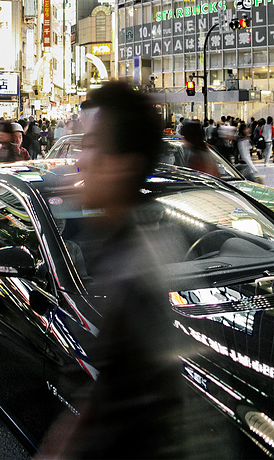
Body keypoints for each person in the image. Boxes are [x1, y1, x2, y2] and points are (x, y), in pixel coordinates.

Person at [40, 81, 185, 459]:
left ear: (123, 165)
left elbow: (135, 410)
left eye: (91, 145)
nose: (80, 161)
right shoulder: (127, 246)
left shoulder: (136, 271)